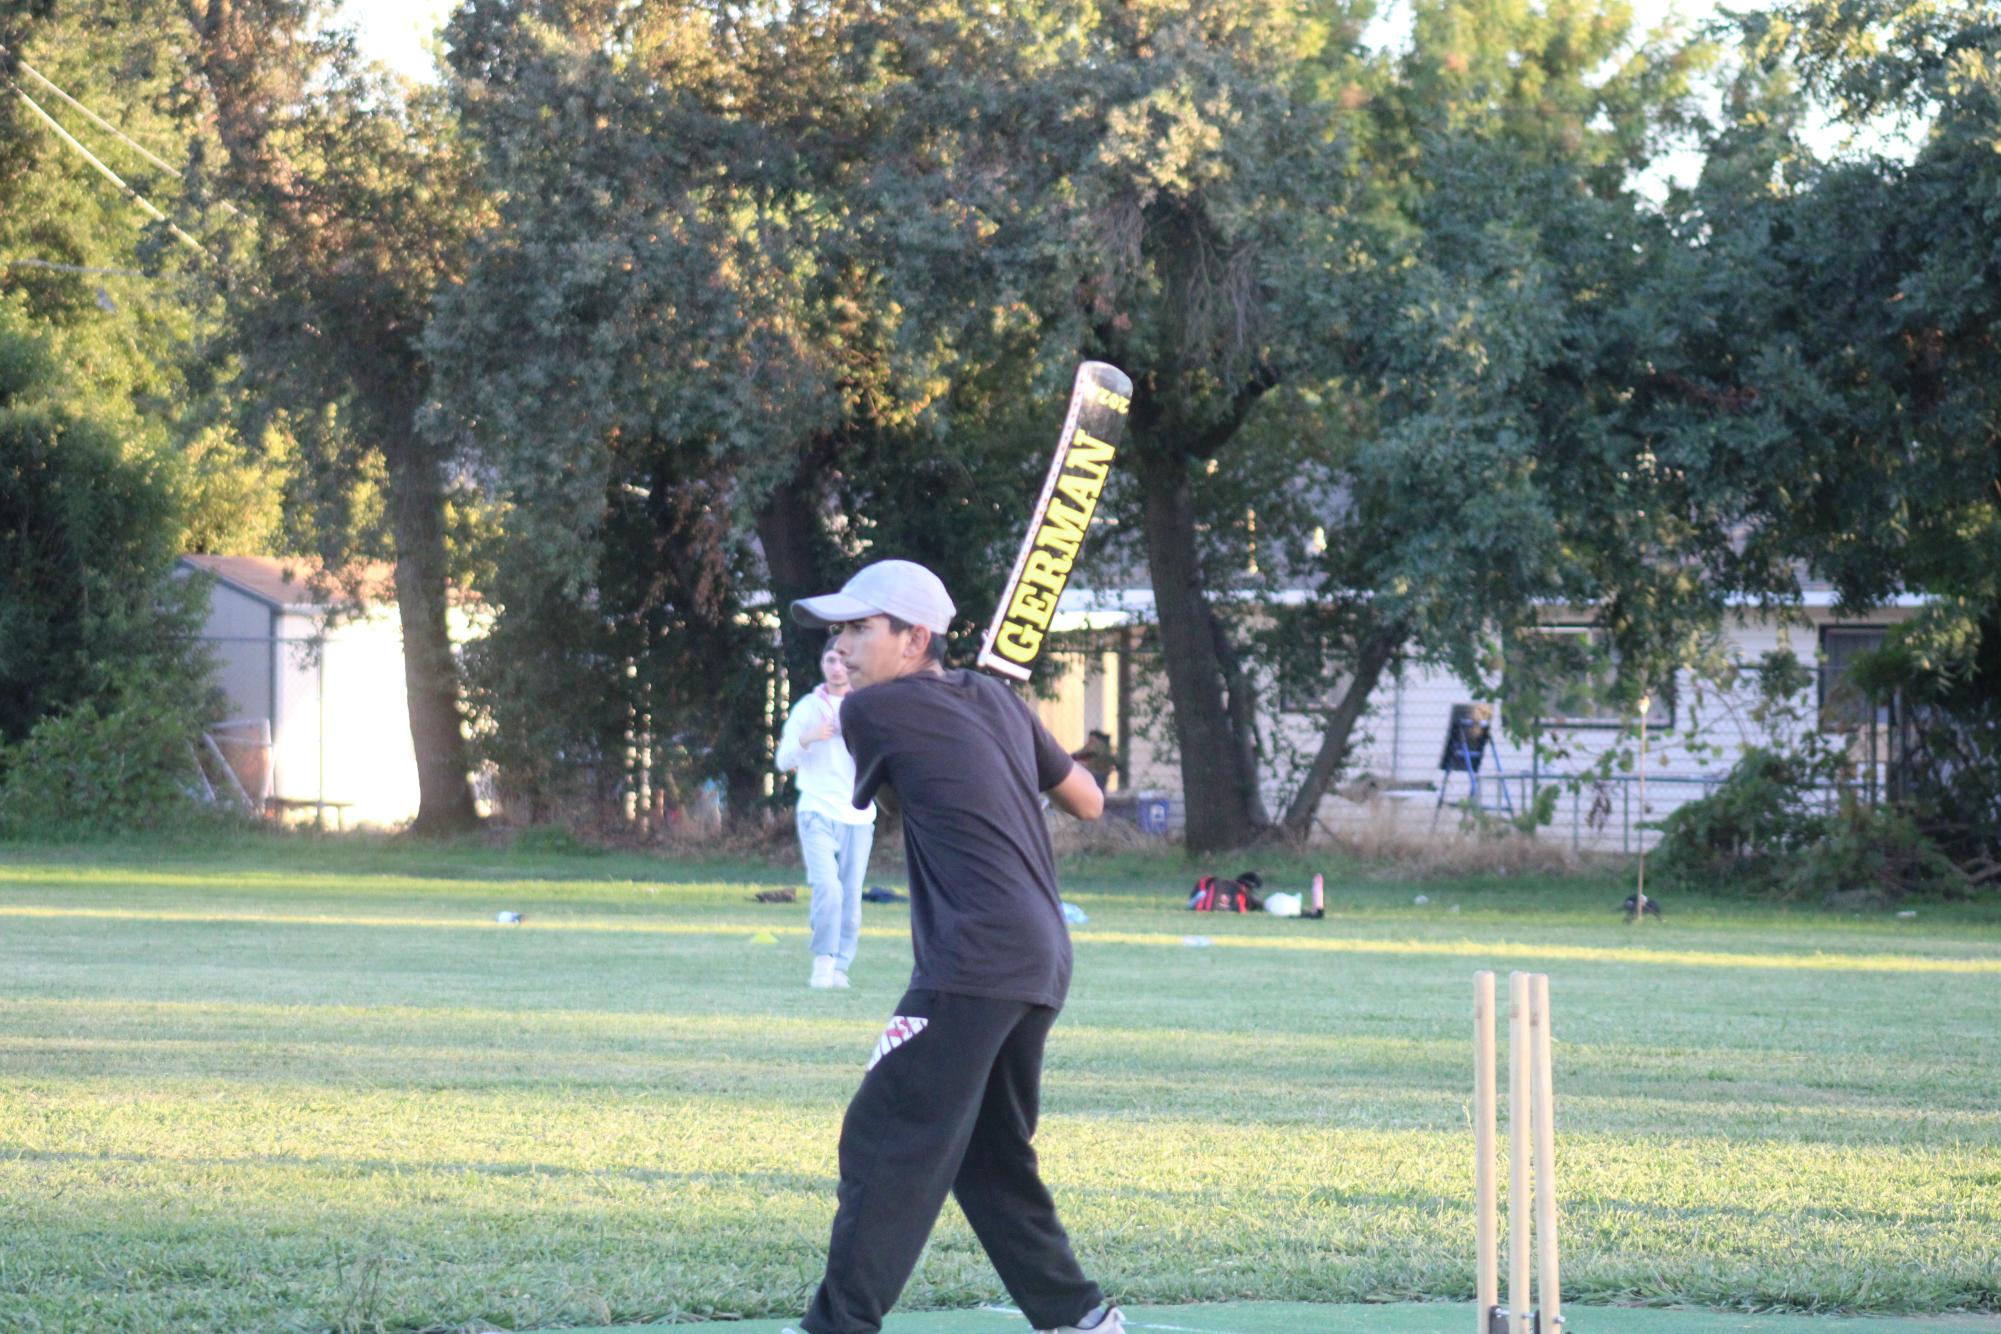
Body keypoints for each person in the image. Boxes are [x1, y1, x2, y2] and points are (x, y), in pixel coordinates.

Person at [786, 559, 1122, 1334]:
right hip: (1039, 955)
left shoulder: (877, 711)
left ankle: (836, 1327)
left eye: (861, 629)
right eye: (839, 631)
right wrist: (995, 715)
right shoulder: (993, 699)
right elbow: (1088, 799)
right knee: (985, 1151)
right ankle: (1077, 1318)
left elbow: (878, 778)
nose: (843, 649)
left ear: (914, 638)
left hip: (972, 958)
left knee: (886, 1133)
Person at [775, 640, 877, 989]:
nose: (836, 667)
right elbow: (782, 760)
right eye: (830, 659)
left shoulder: (865, 706)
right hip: (816, 810)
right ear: (822, 663)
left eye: (843, 660)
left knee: (850, 898)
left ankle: (839, 965)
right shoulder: (808, 708)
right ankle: (822, 961)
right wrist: (809, 737)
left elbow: (882, 755)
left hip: (858, 816)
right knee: (828, 889)